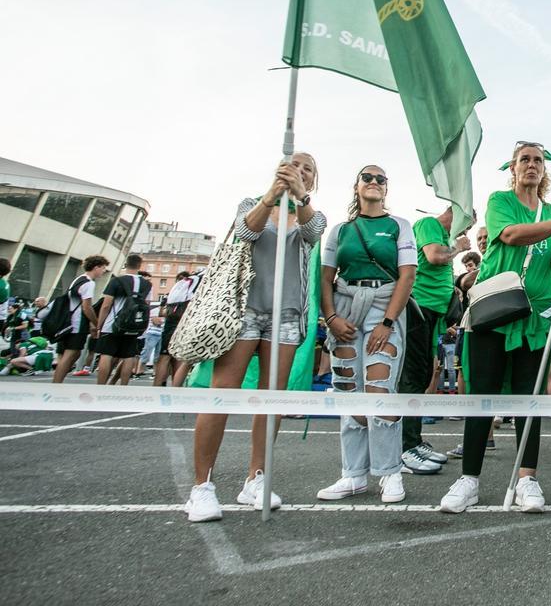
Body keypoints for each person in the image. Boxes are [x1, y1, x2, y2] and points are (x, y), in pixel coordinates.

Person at [439, 142, 551, 514]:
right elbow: (510, 235)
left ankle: (527, 479)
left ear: (544, 170)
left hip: (534, 316)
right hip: (494, 311)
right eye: (525, 160)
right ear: (513, 168)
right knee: (482, 395)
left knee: (528, 399)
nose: (532, 165)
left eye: (538, 160)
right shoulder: (500, 201)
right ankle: (469, 478)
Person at [186, 154, 326, 522]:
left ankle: (256, 477)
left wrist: (300, 198)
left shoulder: (313, 213)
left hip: (287, 316)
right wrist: (272, 196)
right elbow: (246, 231)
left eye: (308, 168)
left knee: (271, 399)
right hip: (245, 311)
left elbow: (313, 234)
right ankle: (202, 487)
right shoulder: (252, 203)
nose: (300, 171)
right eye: (294, 164)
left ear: (313, 180)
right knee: (223, 392)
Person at [316, 165, 416, 505]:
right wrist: (330, 316)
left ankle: (389, 472)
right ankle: (353, 474)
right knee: (347, 388)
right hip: (345, 307)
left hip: (384, 305)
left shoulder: (400, 226)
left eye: (380, 179)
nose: (374, 182)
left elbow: (407, 275)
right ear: (356, 186)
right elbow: (326, 276)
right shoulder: (340, 230)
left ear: (387, 188)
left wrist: (387, 322)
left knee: (380, 387)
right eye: (367, 178)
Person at [401, 205, 472, 474]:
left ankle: (414, 440)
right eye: (466, 225)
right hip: (418, 309)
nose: (465, 232)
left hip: (433, 315)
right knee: (412, 377)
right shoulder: (430, 225)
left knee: (422, 376)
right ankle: (406, 447)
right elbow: (433, 257)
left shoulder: (445, 238)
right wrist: (458, 248)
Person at [92, 254, 149, 386]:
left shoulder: (116, 281)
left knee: (106, 354)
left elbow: (106, 305)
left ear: (125, 264)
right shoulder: (146, 284)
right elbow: (146, 305)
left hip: (113, 323)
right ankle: (124, 385)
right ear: (140, 265)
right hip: (134, 324)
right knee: (129, 356)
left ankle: (101, 385)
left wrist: (99, 325)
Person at [51, 256, 109, 382]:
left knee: (73, 353)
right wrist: (95, 323)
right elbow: (87, 307)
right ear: (96, 267)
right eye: (103, 268)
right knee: (72, 353)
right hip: (76, 324)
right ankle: (56, 383)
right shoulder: (89, 283)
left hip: (68, 321)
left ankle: (57, 381)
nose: (104, 271)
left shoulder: (78, 279)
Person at [157, 271, 196, 387]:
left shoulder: (172, 293)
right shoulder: (193, 290)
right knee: (180, 358)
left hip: (171, 325)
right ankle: (176, 388)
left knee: (164, 357)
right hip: (185, 325)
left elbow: (162, 312)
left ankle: (158, 385)